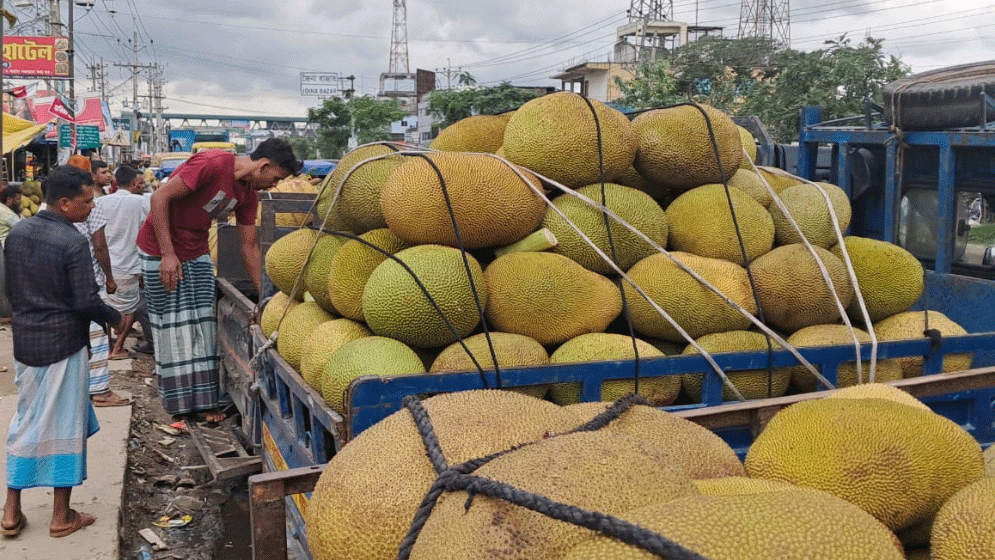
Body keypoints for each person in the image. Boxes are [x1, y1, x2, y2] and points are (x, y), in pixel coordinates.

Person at [138, 138, 298, 424]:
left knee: (203, 326)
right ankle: (179, 406)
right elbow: (158, 199)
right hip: (159, 248)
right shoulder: (212, 164)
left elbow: (249, 246)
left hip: (196, 250)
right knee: (172, 328)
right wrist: (168, 255)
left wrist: (266, 298)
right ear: (263, 165)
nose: (274, 185)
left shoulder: (250, 195)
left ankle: (204, 401)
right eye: (276, 178)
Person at [2, 165, 122, 539]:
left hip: (26, 343)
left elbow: (9, 290)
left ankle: (11, 510)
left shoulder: (17, 233)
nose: (91, 208)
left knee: (27, 420)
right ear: (66, 203)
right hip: (63, 345)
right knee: (64, 427)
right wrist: (114, 318)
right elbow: (87, 301)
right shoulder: (72, 242)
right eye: (87, 202)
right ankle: (61, 515)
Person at [66, 155, 130, 407]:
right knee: (97, 336)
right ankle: (101, 391)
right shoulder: (93, 204)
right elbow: (100, 246)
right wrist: (109, 277)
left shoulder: (49, 207)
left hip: (61, 285)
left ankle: (76, 389)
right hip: (88, 280)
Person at [97, 165, 153, 359]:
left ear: (115, 182)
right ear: (133, 183)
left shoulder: (100, 202)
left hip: (104, 264)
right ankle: (117, 348)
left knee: (104, 306)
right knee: (130, 308)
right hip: (129, 263)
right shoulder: (140, 202)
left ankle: (108, 344)